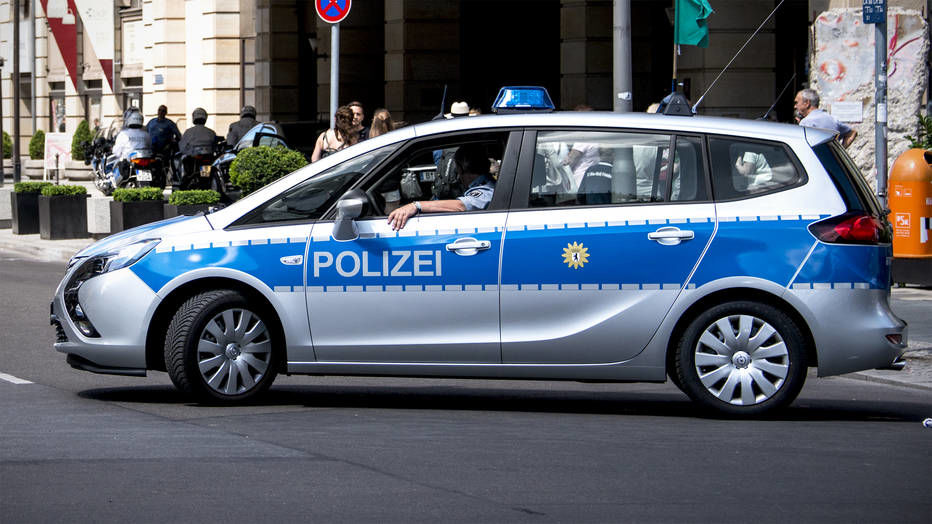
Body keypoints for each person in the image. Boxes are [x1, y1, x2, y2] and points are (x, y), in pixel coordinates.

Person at [388, 144, 494, 230]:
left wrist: (416, 206)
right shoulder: (484, 183)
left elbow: (461, 206)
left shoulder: (486, 190)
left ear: (462, 169)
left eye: (457, 170)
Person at [109, 110, 152, 188]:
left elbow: (116, 151)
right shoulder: (146, 134)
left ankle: (113, 184)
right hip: (144, 160)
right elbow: (149, 146)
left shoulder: (123, 134)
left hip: (129, 161)